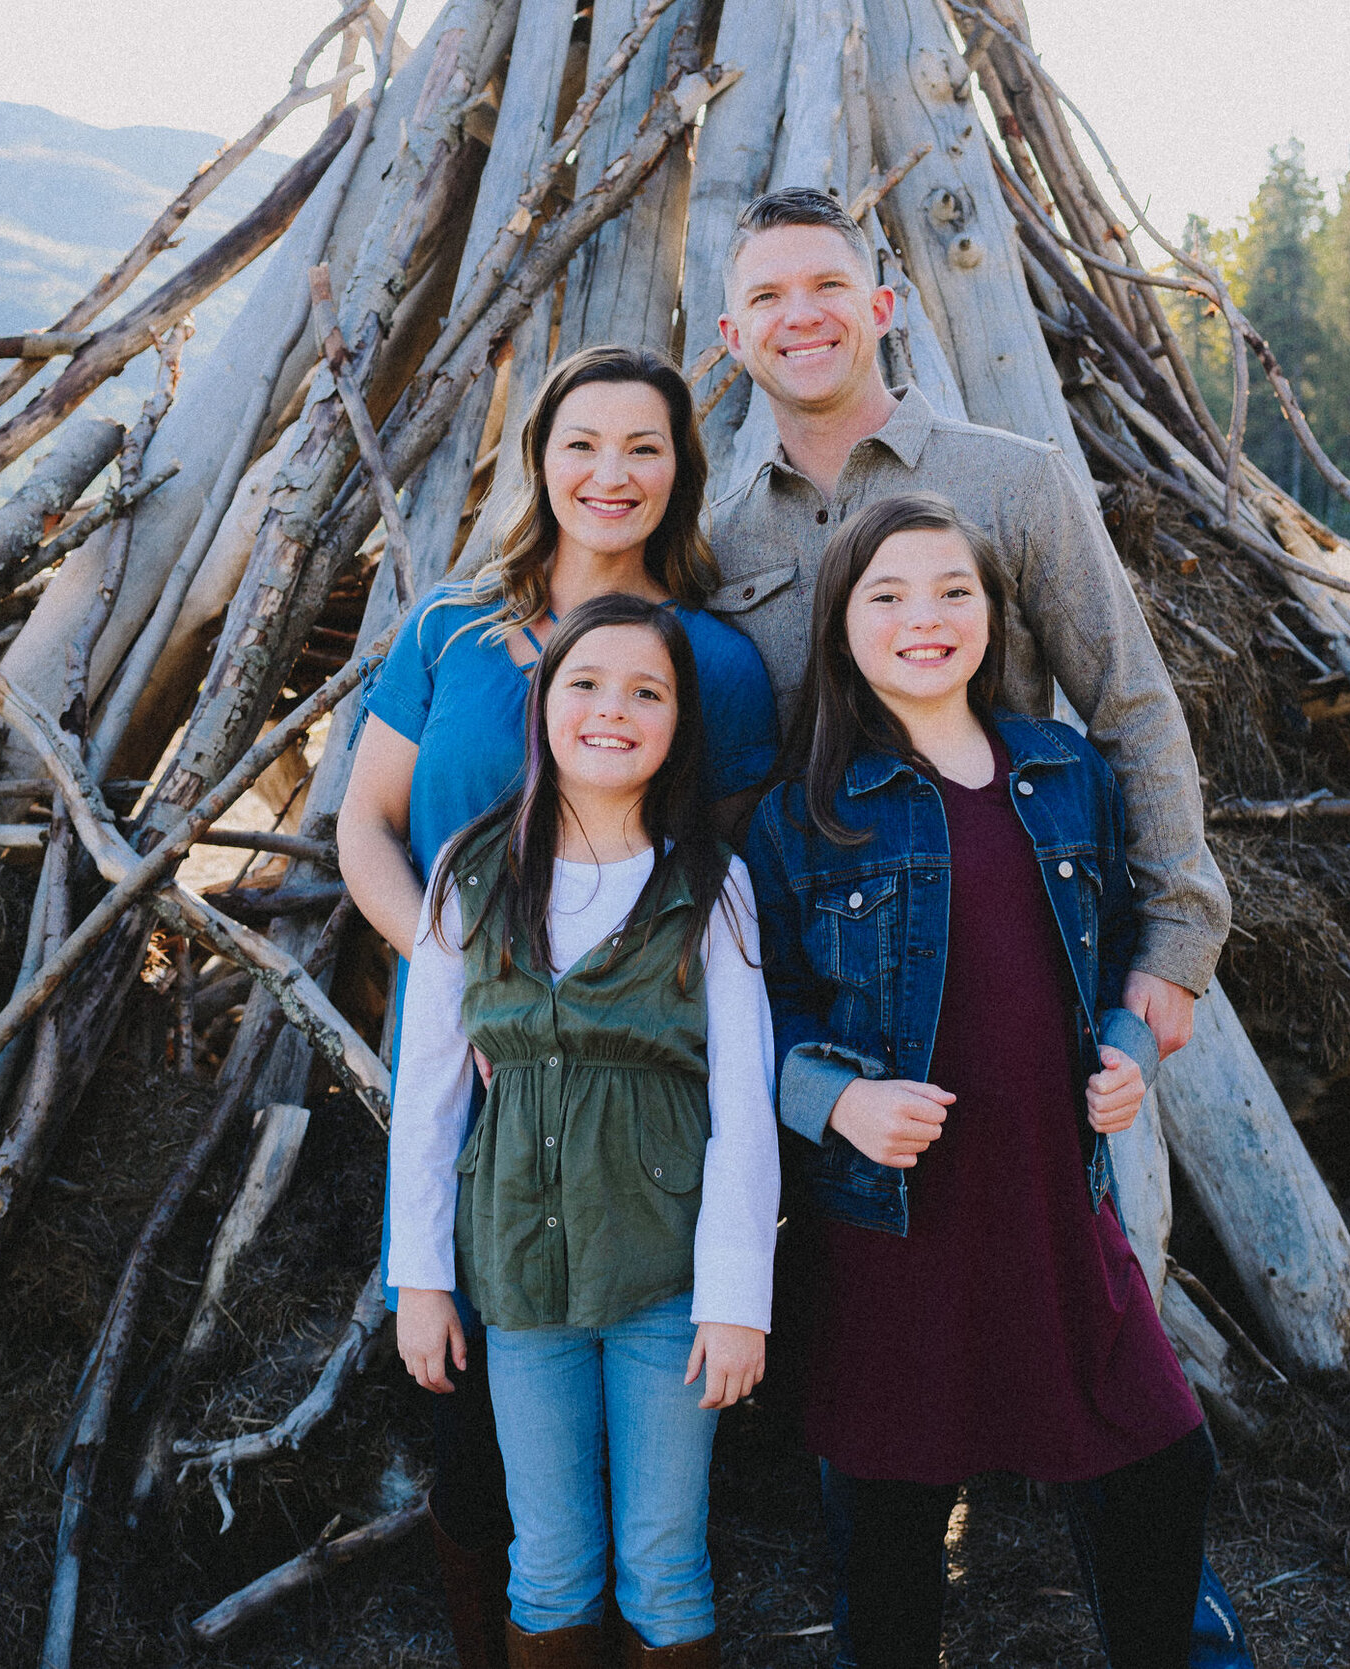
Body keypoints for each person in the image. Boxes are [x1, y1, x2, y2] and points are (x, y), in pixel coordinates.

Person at [337, 345, 778, 1668]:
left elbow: (719, 875)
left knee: (658, 1493)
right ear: (539, 458)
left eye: (645, 446)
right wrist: (472, 968)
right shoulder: (449, 631)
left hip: (642, 1117)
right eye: (582, 442)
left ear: (681, 471)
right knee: (489, 1445)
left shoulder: (710, 661)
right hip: (474, 1074)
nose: (611, 473)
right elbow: (365, 822)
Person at [742, 495, 1225, 1669]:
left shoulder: (1063, 774)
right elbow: (765, 1014)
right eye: (888, 595)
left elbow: (1111, 953)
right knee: (890, 1539)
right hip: (890, 1232)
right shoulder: (803, 815)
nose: (927, 618)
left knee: (1162, 1465)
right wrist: (835, 1101)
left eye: (955, 590)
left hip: (1056, 1203)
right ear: (839, 627)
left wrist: (1122, 1044)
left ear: (995, 616)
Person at [706, 184, 1228, 1064]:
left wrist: (1178, 943)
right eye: (765, 297)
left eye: (828, 287)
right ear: (733, 338)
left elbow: (1130, 700)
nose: (800, 317)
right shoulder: (723, 536)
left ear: (880, 307)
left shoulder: (1014, 482)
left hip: (1015, 955)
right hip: (822, 992)